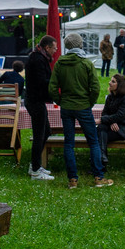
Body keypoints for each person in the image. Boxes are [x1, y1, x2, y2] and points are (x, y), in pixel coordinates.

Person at [49, 32, 112, 188]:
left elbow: (51, 88)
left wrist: (61, 101)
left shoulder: (59, 63)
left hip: (67, 107)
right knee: (93, 142)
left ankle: (73, 180)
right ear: (80, 45)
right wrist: (89, 103)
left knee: (68, 143)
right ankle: (98, 177)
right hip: (83, 106)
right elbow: (96, 87)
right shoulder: (86, 63)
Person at [25, 36, 57, 181]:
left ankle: (35, 165)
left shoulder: (38, 57)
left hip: (37, 101)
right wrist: (55, 83)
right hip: (35, 101)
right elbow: (41, 81)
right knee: (39, 135)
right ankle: (36, 171)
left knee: (46, 132)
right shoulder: (37, 60)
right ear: (47, 48)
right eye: (54, 48)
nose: (55, 51)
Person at [95, 74, 125, 168]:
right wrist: (111, 122)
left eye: (113, 81)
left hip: (124, 128)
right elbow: (105, 113)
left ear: (119, 85)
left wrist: (102, 120)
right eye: (110, 80)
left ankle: (100, 161)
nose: (109, 83)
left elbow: (120, 115)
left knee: (99, 134)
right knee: (100, 130)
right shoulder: (110, 97)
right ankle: (102, 159)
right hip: (112, 126)